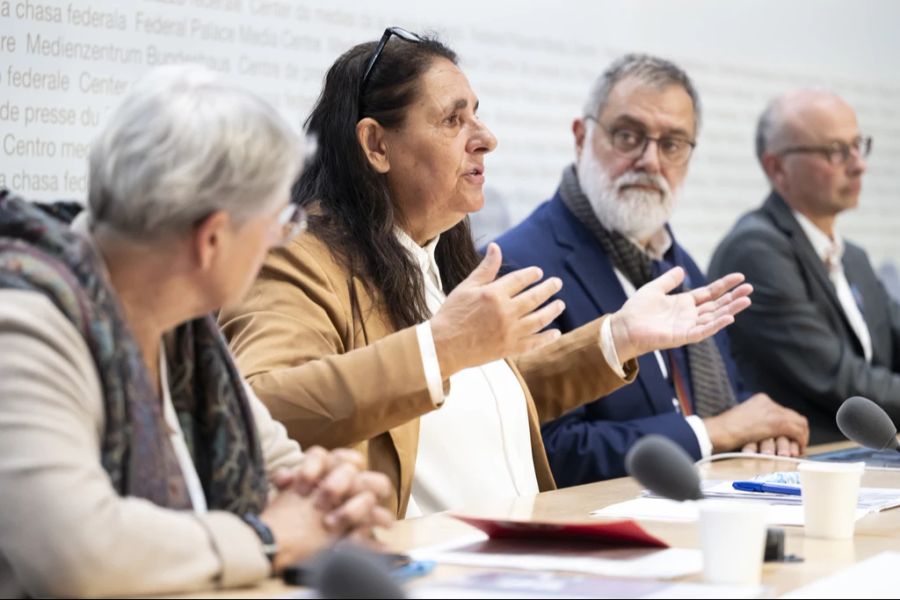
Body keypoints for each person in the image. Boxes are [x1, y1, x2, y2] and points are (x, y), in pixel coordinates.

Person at [219, 28, 752, 519]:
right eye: (454, 120)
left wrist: (617, 337)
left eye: (477, 114)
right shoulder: (298, 254)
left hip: (521, 559)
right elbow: (258, 409)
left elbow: (478, 403)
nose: (485, 137)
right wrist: (441, 347)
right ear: (377, 145)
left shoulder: (433, 256)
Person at [0, 65, 393, 598]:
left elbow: (286, 473)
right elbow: (77, 554)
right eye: (279, 222)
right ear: (211, 241)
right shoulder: (24, 324)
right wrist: (270, 537)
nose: (281, 242)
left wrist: (336, 499)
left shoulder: (187, 332)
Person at [492, 54, 809, 485]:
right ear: (581, 137)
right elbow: (548, 449)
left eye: (672, 144)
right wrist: (713, 433)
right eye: (628, 136)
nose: (650, 160)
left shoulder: (677, 261)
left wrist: (765, 431)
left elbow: (725, 399)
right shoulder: (518, 267)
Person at [709, 89, 900, 444]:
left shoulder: (853, 256)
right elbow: (839, 379)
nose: (859, 164)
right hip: (805, 467)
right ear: (777, 167)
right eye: (836, 151)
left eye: (858, 146)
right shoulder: (755, 249)